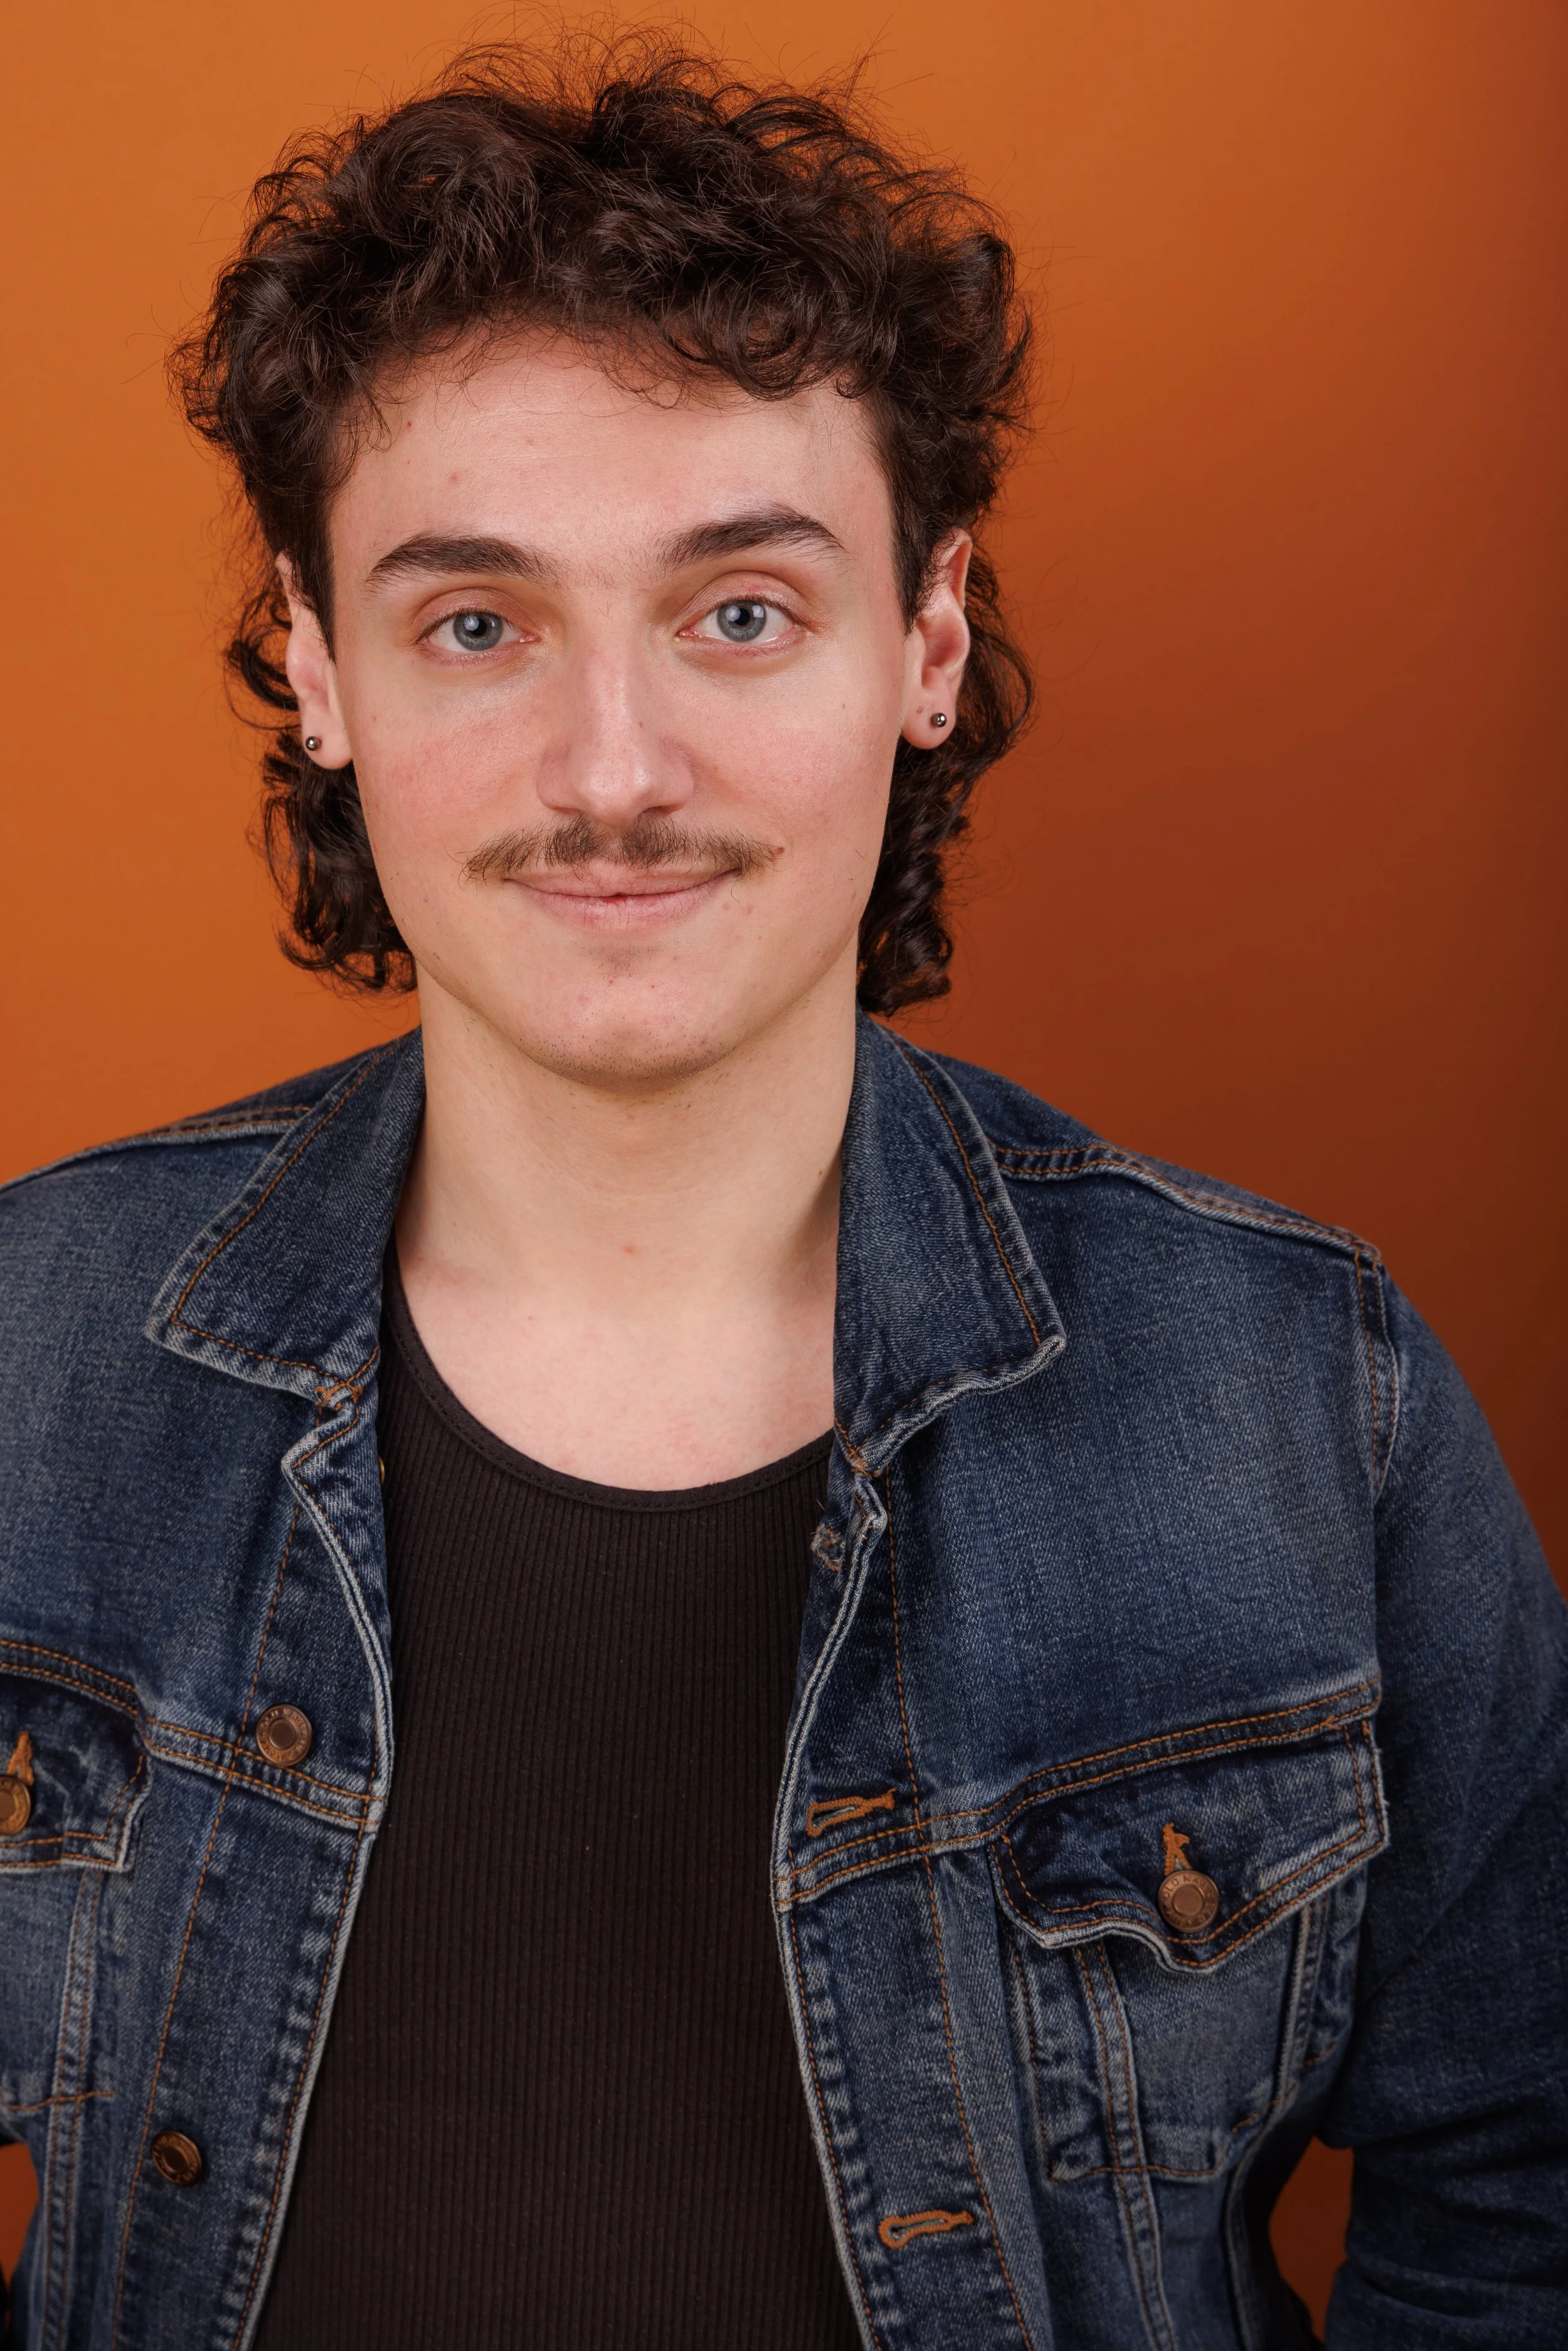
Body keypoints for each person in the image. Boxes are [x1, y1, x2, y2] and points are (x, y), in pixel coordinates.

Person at [0, 37, 1562, 2351]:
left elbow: (1518, 2184)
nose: (612, 771)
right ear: (317, 673)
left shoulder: (1296, 1394)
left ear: (921, 646)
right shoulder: (32, 1351)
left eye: (737, 609)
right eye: (473, 623)